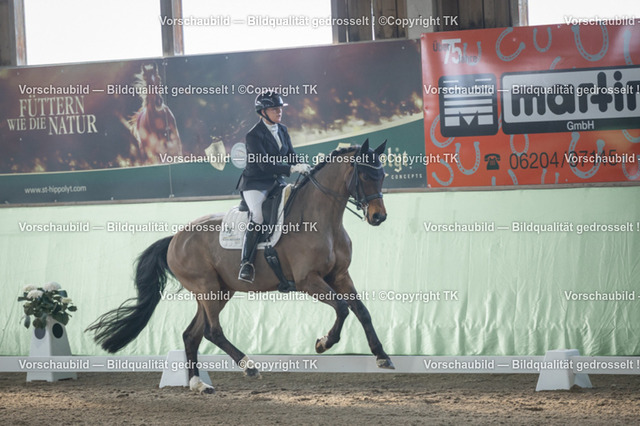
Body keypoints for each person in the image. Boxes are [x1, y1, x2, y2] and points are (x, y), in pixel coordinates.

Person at [236, 92, 311, 283]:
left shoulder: (283, 130)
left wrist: (302, 166)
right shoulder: (253, 135)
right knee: (258, 215)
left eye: (280, 108)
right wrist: (291, 169)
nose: (279, 112)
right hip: (255, 182)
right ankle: (246, 263)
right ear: (262, 112)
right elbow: (264, 166)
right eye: (274, 109)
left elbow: (290, 154)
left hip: (276, 181)